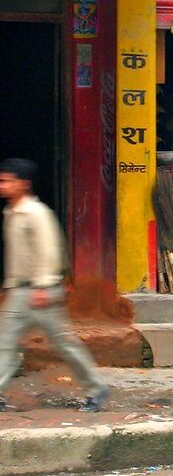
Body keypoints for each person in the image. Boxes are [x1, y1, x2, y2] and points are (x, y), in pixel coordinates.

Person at [0, 158, 108, 413]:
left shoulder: (36, 214)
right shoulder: (12, 213)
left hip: (41, 292)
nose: (2, 185)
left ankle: (96, 389)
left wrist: (42, 287)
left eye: (7, 181)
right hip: (20, 292)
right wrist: (10, 288)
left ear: (23, 184)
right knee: (5, 342)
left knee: (65, 345)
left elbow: (49, 251)